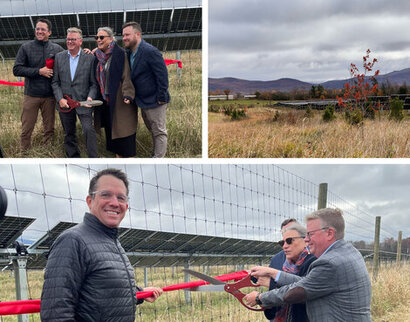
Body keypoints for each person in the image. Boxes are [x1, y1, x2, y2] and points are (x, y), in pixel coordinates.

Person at [41, 168, 162, 321]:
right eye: (106, 195)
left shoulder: (113, 242)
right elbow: (56, 314)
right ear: (89, 201)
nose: (114, 203)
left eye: (121, 198)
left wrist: (138, 293)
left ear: (127, 205)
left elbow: (102, 291)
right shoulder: (72, 240)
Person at [245, 208, 371, 322]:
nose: (306, 239)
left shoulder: (329, 263)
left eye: (310, 234)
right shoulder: (349, 251)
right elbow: (307, 282)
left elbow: (297, 291)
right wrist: (272, 273)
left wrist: (260, 298)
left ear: (329, 233)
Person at [13, 18, 64, 152]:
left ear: (49, 32)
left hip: (50, 96)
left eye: (43, 29)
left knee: (49, 128)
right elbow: (16, 69)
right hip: (31, 95)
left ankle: (46, 151)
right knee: (27, 127)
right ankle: (25, 152)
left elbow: (68, 61)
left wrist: (87, 51)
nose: (39, 31)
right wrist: (38, 71)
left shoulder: (57, 49)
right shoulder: (26, 47)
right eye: (37, 29)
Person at [122, 21, 170, 158]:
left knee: (159, 131)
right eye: (123, 35)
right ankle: (155, 155)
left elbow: (162, 76)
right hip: (143, 100)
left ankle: (158, 158)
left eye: (127, 35)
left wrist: (161, 97)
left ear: (137, 34)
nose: (124, 38)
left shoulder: (150, 51)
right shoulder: (129, 52)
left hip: (155, 100)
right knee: (153, 130)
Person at [51, 27, 98, 158]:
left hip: (83, 102)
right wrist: (60, 98)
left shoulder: (90, 58)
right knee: (69, 132)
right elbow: (55, 82)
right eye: (68, 39)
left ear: (80, 41)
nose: (70, 42)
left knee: (88, 129)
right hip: (65, 103)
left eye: (73, 39)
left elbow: (94, 83)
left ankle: (93, 158)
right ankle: (73, 156)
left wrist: (90, 98)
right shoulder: (59, 57)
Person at [94, 27, 138, 158]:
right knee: (112, 133)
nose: (99, 40)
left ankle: (128, 158)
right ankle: (118, 157)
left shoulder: (120, 54)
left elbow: (126, 76)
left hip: (120, 100)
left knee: (123, 131)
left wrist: (128, 94)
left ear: (111, 39)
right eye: (97, 38)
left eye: (102, 37)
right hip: (105, 101)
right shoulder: (97, 56)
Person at [259, 222, 316, 321]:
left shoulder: (314, 263)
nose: (284, 246)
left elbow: (304, 290)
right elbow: (273, 306)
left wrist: (271, 282)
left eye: (289, 241)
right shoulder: (277, 261)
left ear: (305, 240)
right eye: (282, 242)